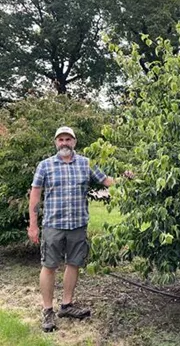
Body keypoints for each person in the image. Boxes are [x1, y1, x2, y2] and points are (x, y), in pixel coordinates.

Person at [28, 126, 114, 332]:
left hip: (78, 224)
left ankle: (66, 305)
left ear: (74, 142)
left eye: (68, 139)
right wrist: (33, 225)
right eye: (61, 139)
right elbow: (35, 195)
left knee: (73, 263)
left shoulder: (86, 163)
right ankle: (47, 311)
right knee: (49, 266)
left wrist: (128, 179)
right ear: (56, 143)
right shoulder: (45, 165)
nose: (64, 143)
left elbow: (107, 181)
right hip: (53, 225)